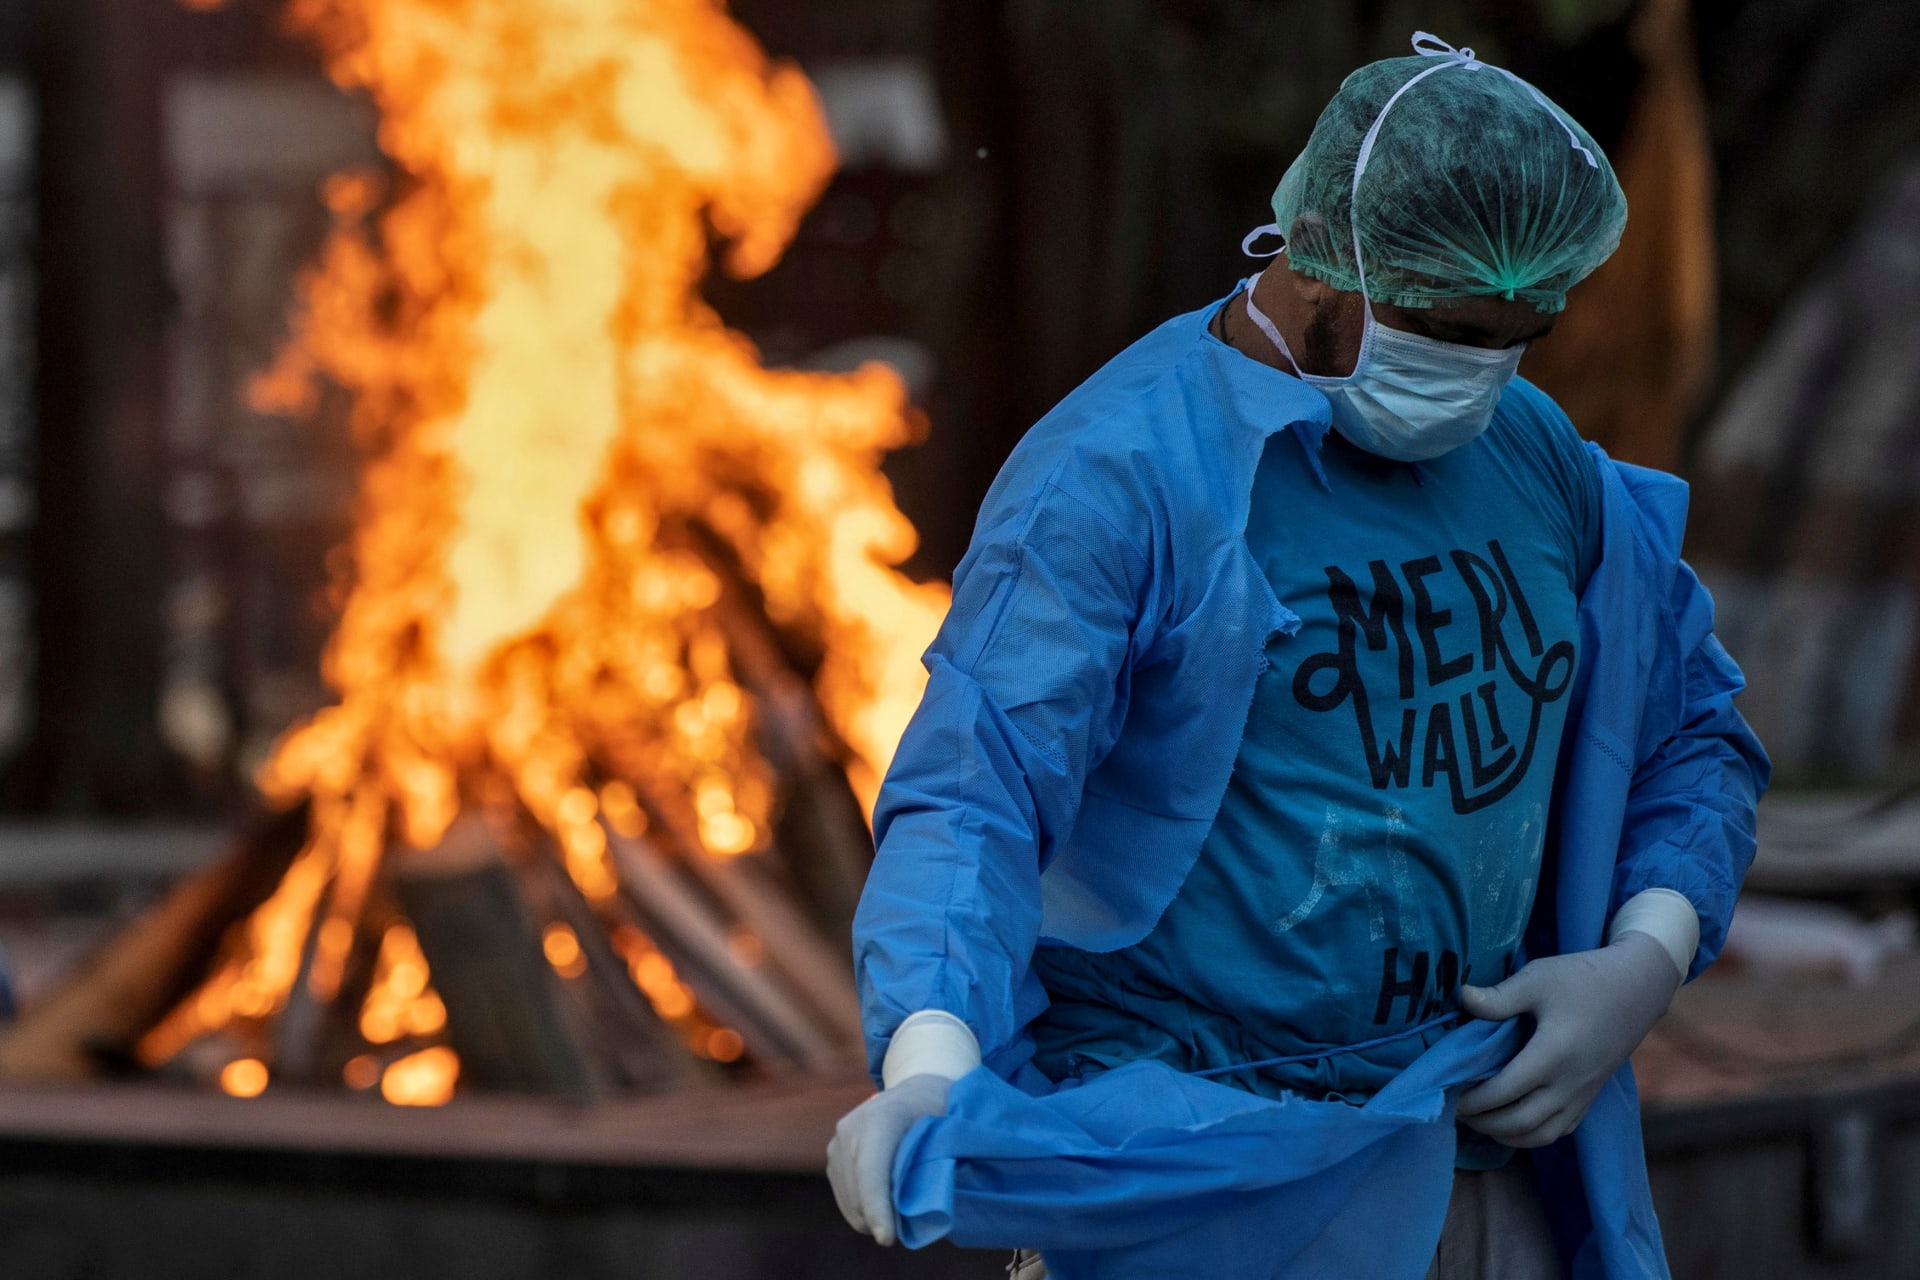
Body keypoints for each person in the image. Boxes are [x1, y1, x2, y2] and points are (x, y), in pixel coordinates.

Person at [827, 33, 1766, 1280]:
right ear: (1323, 253)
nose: (1475, 369)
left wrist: (1643, 955)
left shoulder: (1527, 446)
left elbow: (1690, 721)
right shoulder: (1125, 475)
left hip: (1490, 1141)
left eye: (1518, 332)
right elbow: (975, 789)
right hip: (1209, 1167)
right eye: (1445, 325)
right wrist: (932, 1062)